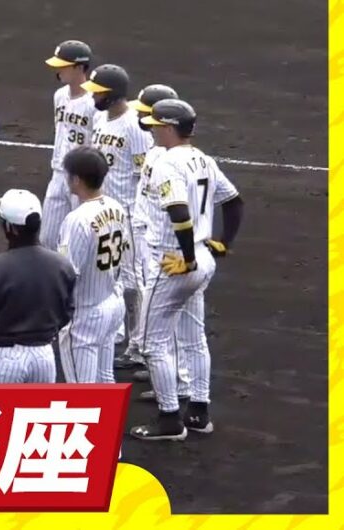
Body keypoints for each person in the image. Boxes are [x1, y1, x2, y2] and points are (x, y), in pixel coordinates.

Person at [131, 100, 244, 441]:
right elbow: (234, 201)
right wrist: (224, 242)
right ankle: (198, 411)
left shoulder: (166, 163)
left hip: (174, 263)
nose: (151, 130)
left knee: (152, 343)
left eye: (155, 125)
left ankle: (169, 419)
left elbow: (178, 212)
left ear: (169, 128)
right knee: (194, 338)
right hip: (203, 260)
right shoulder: (203, 159)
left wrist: (187, 258)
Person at [80, 64, 154, 364]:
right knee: (109, 274)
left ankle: (139, 345)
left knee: (133, 281)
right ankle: (119, 333)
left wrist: (139, 216)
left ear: (112, 94)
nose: (93, 97)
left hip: (129, 215)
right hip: (105, 211)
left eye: (98, 93)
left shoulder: (135, 126)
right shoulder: (100, 118)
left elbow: (144, 176)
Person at [0, 189, 76, 383]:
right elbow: (67, 311)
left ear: (10, 228)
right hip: (44, 355)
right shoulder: (62, 265)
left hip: (5, 357)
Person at [119, 84, 180, 372]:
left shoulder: (170, 159)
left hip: (157, 237)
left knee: (148, 292)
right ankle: (143, 349)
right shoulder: (155, 150)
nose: (140, 118)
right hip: (143, 228)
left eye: (146, 113)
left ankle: (148, 353)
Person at [57, 148, 126, 385]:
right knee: (105, 379)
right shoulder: (117, 207)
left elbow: (67, 272)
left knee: (81, 390)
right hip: (112, 302)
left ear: (76, 180)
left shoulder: (77, 219)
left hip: (85, 313)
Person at [40, 39, 96, 248]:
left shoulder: (94, 103)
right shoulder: (60, 96)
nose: (58, 70)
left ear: (79, 67)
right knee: (47, 237)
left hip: (82, 176)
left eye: (64, 66)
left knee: (78, 238)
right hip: (58, 172)